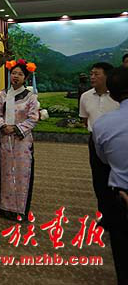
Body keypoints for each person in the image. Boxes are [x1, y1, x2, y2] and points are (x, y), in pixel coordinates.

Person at [93, 67, 128, 284]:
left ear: (112, 93)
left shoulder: (103, 124)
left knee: (123, 260)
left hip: (121, 200)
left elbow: (104, 160)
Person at [0, 59, 39, 221]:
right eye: (13, 73)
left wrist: (16, 128)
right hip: (6, 140)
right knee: (6, 172)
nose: (16, 76)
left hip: (22, 141)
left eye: (20, 74)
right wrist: (3, 126)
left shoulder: (30, 97)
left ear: (25, 78)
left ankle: (20, 209)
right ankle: (6, 208)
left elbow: (33, 118)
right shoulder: (3, 94)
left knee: (22, 173)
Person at [80, 62, 119, 133]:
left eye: (96, 74)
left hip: (116, 136)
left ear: (108, 76)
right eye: (91, 74)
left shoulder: (119, 96)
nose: (92, 77)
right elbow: (85, 119)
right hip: (94, 136)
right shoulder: (85, 96)